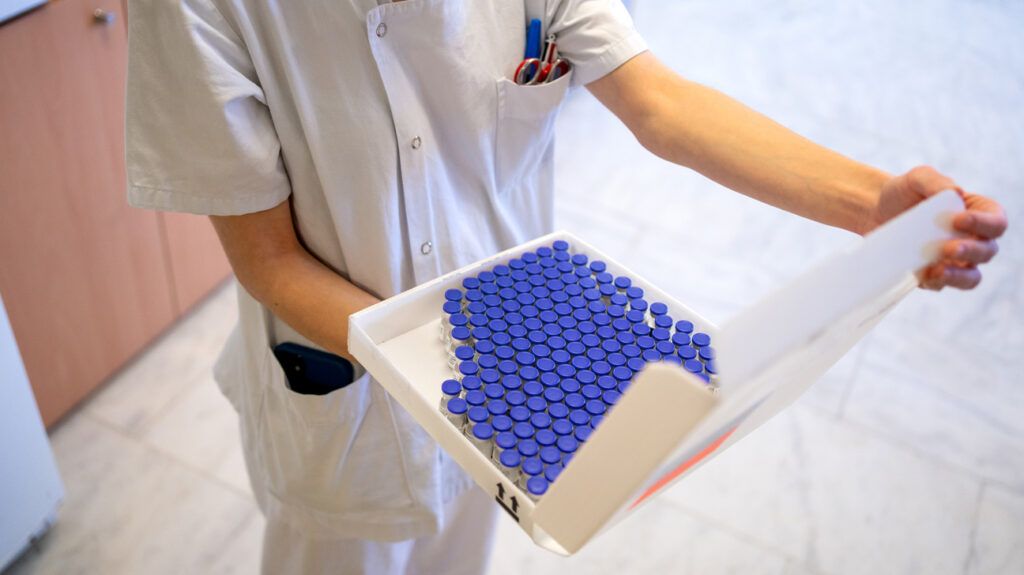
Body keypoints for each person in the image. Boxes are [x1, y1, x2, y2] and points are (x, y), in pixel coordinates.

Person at [125, 1, 1007, 573]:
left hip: (517, 351)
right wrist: (437, 376)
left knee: (457, 553)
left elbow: (660, 104)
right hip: (344, 383)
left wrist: (871, 204)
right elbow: (270, 262)